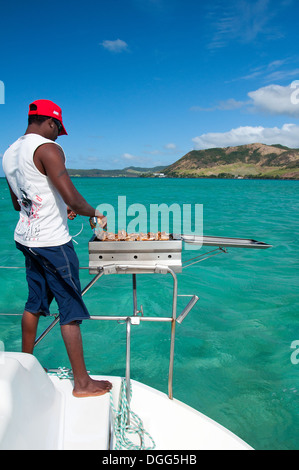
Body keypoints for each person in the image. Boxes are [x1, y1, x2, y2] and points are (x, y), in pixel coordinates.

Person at [2, 99, 112, 398]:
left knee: (34, 302)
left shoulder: (9, 153)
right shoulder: (48, 149)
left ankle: (25, 366)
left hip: (26, 238)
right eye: (58, 129)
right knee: (70, 307)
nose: (57, 135)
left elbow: (19, 202)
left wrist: (60, 206)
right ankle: (82, 382)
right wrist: (95, 213)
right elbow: (75, 199)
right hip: (52, 242)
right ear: (51, 122)